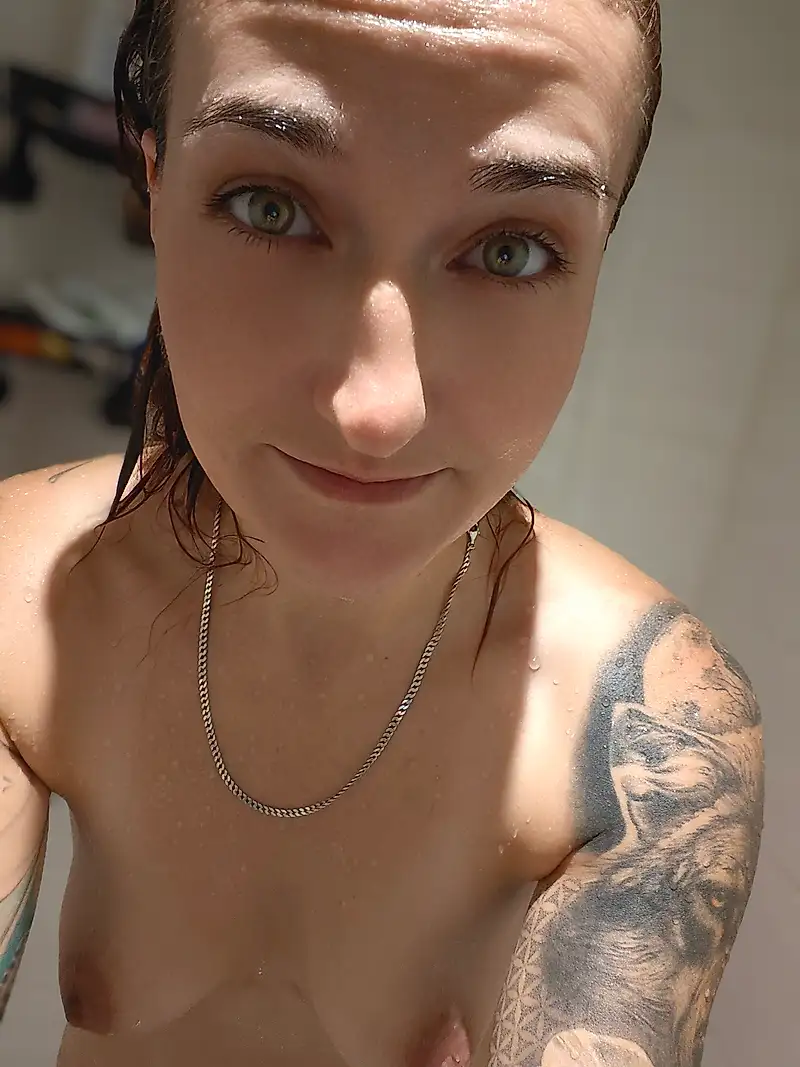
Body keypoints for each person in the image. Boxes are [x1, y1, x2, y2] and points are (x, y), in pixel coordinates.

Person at [0, 0, 765, 1064]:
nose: (376, 411)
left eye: (510, 249)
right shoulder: (20, 593)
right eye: (269, 206)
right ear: (154, 184)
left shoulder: (643, 720)